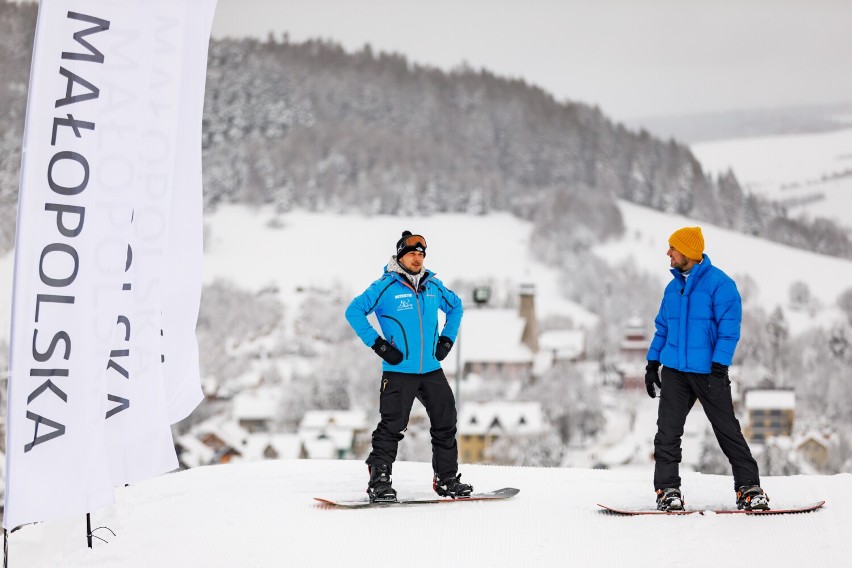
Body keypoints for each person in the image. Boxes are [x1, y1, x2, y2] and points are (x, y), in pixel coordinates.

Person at [644, 226, 768, 512]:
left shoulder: (720, 285)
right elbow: (662, 328)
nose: (668, 253)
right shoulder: (673, 288)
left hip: (709, 372)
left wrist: (718, 367)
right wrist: (653, 364)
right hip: (675, 372)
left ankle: (749, 488)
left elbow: (729, 332)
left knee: (727, 430)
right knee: (667, 433)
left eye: (672, 248)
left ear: (688, 251)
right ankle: (668, 491)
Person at [345, 230, 472, 502]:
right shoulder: (385, 286)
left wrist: (447, 340)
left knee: (446, 420)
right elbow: (353, 311)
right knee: (393, 426)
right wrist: (379, 345)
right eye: (412, 254)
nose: (417, 259)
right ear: (401, 256)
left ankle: (447, 479)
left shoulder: (433, 285)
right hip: (398, 370)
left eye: (421, 254)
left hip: (431, 369)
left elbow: (456, 307)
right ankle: (379, 481)